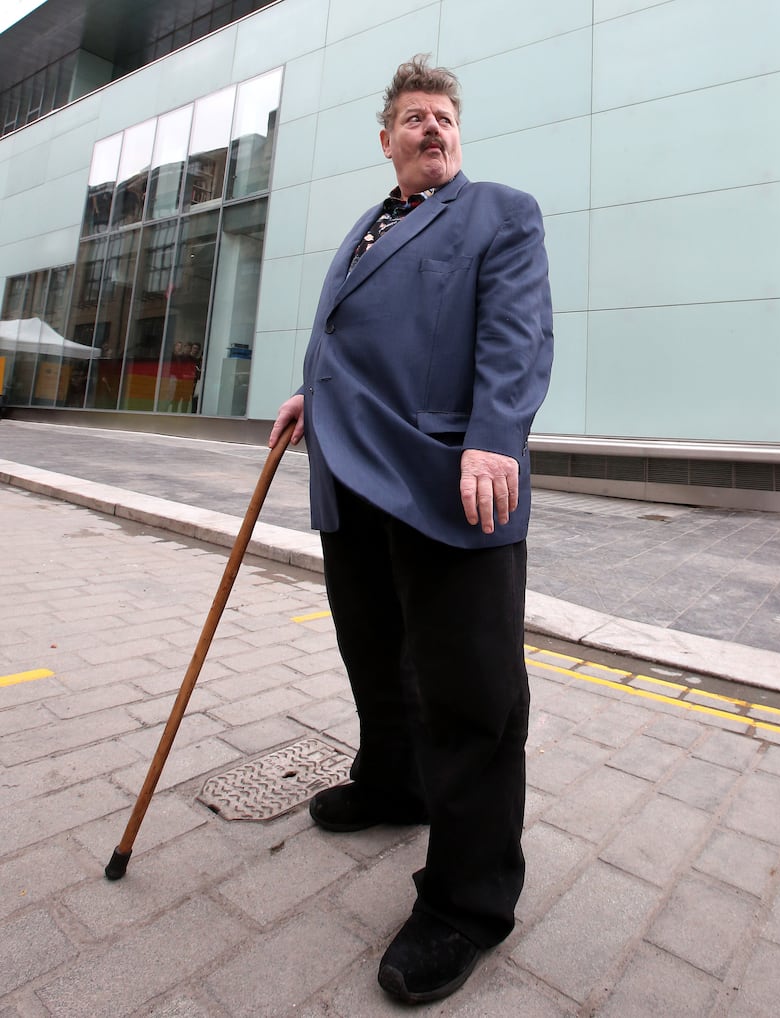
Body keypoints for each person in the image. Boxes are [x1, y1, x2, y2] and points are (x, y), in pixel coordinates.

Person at [268, 55, 553, 1004]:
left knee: (468, 692)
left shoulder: (499, 213)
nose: (433, 129)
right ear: (386, 138)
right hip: (349, 482)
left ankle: (469, 901)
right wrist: (310, 392)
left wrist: (495, 437)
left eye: (445, 117)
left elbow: (515, 332)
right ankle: (396, 784)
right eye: (415, 117)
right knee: (373, 654)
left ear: (455, 136)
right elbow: (356, 339)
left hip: (446, 479)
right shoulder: (366, 229)